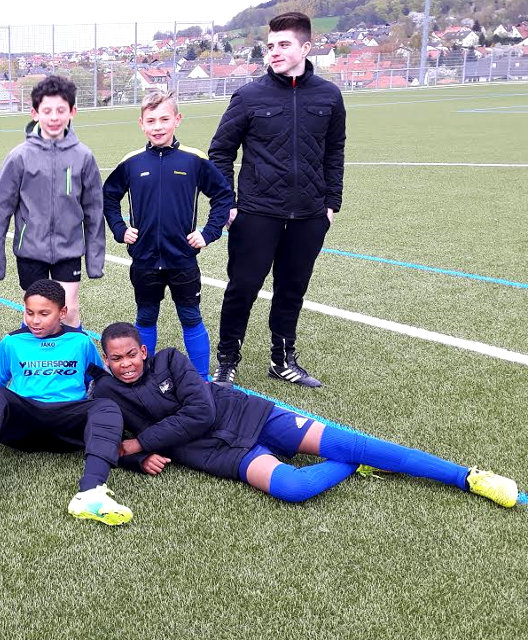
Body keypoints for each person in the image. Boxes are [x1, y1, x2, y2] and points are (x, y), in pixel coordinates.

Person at [92, 322, 520, 508]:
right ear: (106, 360)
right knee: (294, 488)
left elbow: (201, 412)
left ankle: (467, 477)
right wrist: (136, 458)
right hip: (217, 454)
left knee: (356, 442)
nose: (126, 364)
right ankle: (354, 464)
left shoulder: (170, 359)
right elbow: (102, 440)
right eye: (116, 358)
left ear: (143, 351)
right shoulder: (108, 392)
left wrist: (141, 440)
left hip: (250, 415)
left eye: (131, 354)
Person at [208, 11, 347, 388]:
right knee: (242, 288)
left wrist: (331, 203)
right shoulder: (249, 96)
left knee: (291, 289)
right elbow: (220, 151)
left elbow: (335, 150)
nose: (274, 52)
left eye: (284, 44)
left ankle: (282, 360)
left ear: (306, 47)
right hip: (256, 212)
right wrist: (228, 202)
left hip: (310, 215)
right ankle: (226, 361)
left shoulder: (329, 96)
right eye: (270, 46)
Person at [0, 279, 132, 526]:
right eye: (29, 312)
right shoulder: (12, 342)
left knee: (106, 406)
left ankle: (92, 492)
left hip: (69, 427)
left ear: (62, 312)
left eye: (44, 313)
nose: (35, 320)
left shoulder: (80, 341)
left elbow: (101, 380)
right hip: (24, 425)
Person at [103, 89, 233, 380]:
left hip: (182, 258)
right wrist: (120, 229)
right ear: (141, 124)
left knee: (190, 316)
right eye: (151, 121)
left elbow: (223, 195)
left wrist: (208, 233)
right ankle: (142, 379)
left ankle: (201, 380)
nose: (158, 126)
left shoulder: (193, 159)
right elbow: (108, 197)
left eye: (164, 119)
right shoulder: (132, 162)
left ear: (177, 119)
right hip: (145, 259)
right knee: (146, 316)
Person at [0, 75, 104, 328]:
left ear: (72, 112)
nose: (54, 117)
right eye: (47, 110)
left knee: (69, 311)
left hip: (68, 250)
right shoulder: (19, 157)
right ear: (35, 113)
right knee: (36, 314)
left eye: (61, 110)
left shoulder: (83, 156)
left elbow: (94, 211)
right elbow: (0, 212)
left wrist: (94, 261)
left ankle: (72, 354)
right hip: (31, 251)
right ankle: (30, 355)